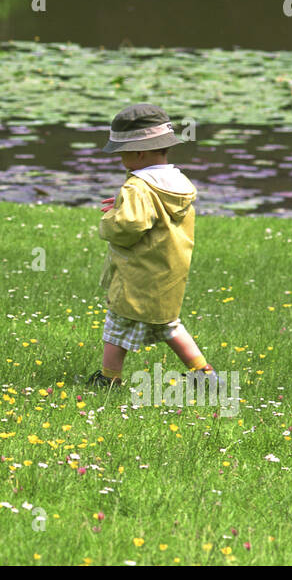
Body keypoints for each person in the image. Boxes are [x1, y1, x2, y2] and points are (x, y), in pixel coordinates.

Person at [87, 103, 214, 388]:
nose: (120, 159)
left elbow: (129, 226)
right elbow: (152, 215)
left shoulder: (138, 187)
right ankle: (204, 374)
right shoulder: (177, 180)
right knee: (169, 324)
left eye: (122, 153)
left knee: (116, 325)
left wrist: (111, 218)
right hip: (167, 272)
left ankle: (109, 379)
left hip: (139, 275)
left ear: (138, 152)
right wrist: (122, 204)